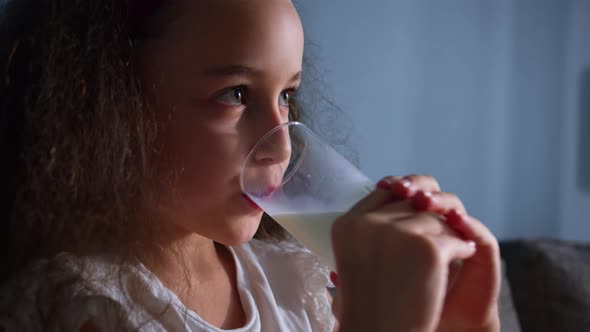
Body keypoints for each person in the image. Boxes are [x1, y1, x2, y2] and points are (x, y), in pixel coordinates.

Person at [0, 0, 501, 331]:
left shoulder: (296, 284)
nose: (281, 147)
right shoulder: (71, 307)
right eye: (236, 94)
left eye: (287, 95)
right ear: (111, 103)